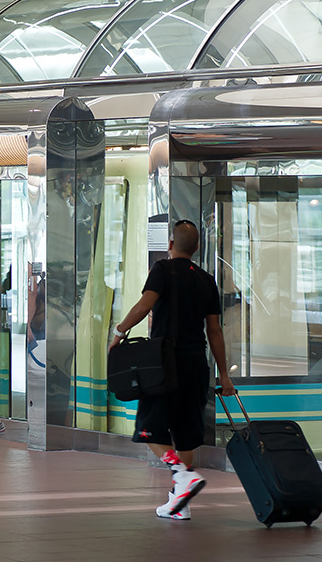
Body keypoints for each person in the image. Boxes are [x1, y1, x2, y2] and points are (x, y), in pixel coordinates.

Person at [109, 219, 236, 521]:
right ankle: (181, 502)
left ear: (170, 244)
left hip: (163, 363)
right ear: (197, 247)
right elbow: (214, 331)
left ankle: (180, 474)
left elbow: (144, 306)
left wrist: (120, 332)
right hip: (196, 362)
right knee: (186, 433)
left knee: (148, 427)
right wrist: (225, 374)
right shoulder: (206, 279)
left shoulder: (162, 270)